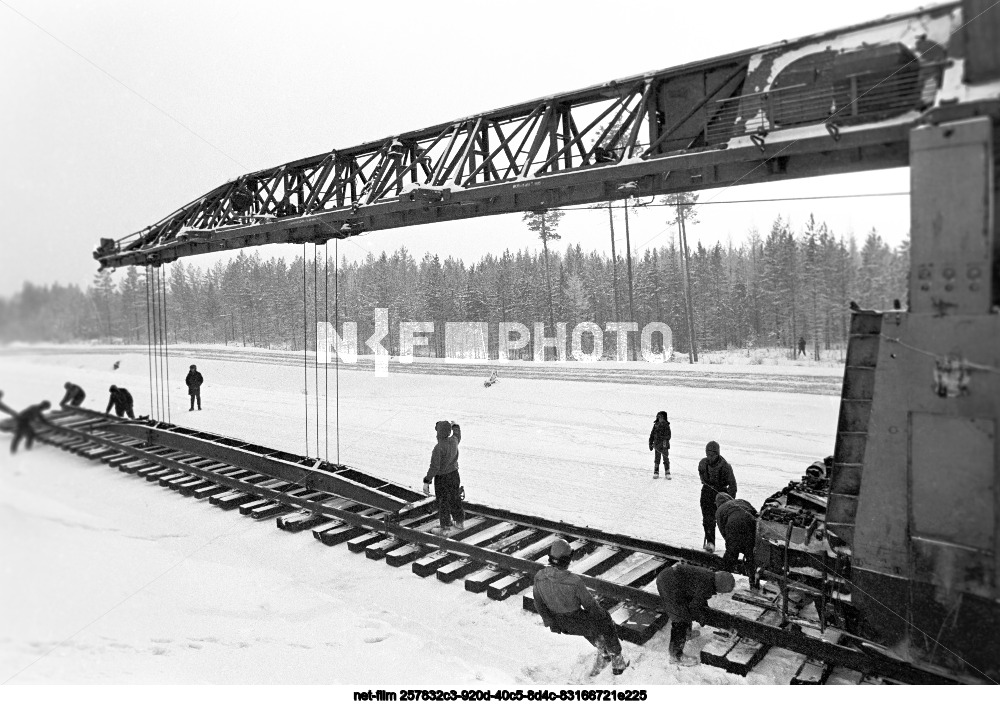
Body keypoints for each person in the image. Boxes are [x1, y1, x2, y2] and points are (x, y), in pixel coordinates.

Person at [533, 538, 629, 676]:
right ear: (567, 560)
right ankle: (617, 661)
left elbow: (539, 604)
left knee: (585, 622)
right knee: (602, 618)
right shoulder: (574, 581)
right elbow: (591, 606)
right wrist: (604, 620)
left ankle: (604, 653)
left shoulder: (539, 577)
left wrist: (551, 623)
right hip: (576, 622)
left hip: (560, 624)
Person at [656, 563, 735, 666]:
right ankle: (676, 656)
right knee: (680, 618)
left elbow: (699, 599)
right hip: (668, 583)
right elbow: (695, 606)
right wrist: (702, 618)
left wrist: (704, 613)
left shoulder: (709, 577)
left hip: (673, 579)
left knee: (685, 607)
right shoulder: (706, 584)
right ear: (720, 587)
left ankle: (686, 634)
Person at [422, 420, 464, 535]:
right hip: (454, 475)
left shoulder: (438, 447)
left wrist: (427, 481)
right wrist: (455, 425)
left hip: (442, 479)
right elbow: (457, 434)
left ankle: (445, 527)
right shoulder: (454, 441)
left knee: (443, 501)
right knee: (455, 498)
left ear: (439, 433)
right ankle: (459, 522)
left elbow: (434, 467)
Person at [698, 441, 737, 552]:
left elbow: (733, 485)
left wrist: (729, 501)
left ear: (717, 454)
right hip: (706, 493)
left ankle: (731, 546)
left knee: (725, 522)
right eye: (708, 454)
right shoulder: (702, 464)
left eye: (712, 454)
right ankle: (711, 543)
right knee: (708, 519)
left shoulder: (725, 466)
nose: (710, 457)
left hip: (721, 495)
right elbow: (702, 477)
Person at [715, 493, 759, 586]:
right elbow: (757, 514)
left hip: (732, 525)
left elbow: (723, 530)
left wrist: (731, 543)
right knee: (750, 554)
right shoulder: (742, 501)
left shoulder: (719, 510)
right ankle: (753, 580)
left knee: (731, 555)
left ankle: (723, 581)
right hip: (750, 521)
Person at [648, 410, 672, 478]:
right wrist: (650, 443)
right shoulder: (655, 425)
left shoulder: (666, 425)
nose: (659, 418)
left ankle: (667, 472)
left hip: (664, 445)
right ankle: (656, 471)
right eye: (658, 417)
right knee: (657, 459)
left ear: (664, 417)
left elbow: (668, 436)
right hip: (657, 445)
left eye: (661, 417)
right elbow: (652, 434)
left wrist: (662, 439)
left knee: (666, 458)